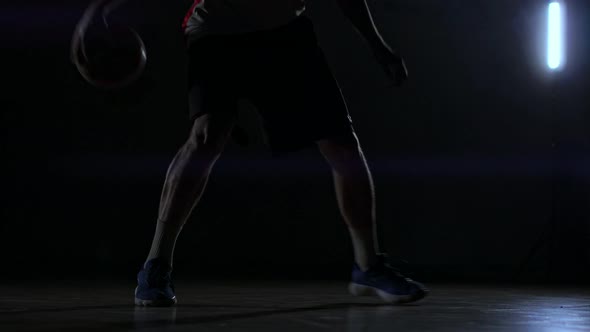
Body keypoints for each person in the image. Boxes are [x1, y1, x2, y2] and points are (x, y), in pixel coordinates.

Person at [75, 0, 428, 307]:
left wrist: (377, 44)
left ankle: (367, 266)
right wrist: (95, 12)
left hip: (285, 31)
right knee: (207, 136)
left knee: (342, 146)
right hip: (217, 33)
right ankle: (156, 265)